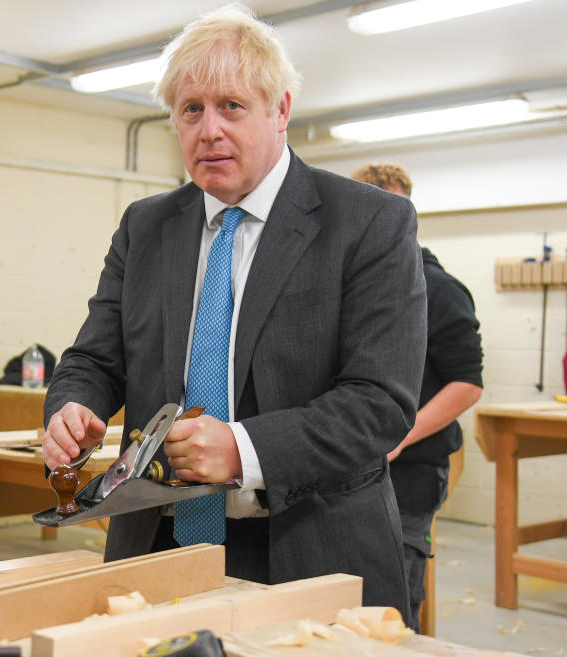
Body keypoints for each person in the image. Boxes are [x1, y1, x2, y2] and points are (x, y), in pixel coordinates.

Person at [42, 5, 427, 618]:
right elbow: (95, 356)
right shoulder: (147, 226)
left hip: (309, 546)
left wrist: (245, 451)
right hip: (159, 544)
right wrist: (73, 404)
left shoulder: (368, 222)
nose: (209, 129)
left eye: (232, 106)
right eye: (191, 109)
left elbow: (380, 403)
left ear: (280, 111)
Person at [351, 162, 484, 630]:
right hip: (348, 467)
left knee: (395, 598)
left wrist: (401, 436)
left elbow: (467, 383)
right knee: (346, 593)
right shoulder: (352, 286)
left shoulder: (439, 289)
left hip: (410, 470)